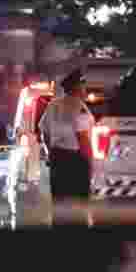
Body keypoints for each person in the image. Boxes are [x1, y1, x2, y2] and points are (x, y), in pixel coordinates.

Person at [38, 68, 94, 219]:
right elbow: (82, 138)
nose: (85, 88)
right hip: (76, 162)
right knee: (78, 209)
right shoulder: (79, 107)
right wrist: (90, 164)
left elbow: (44, 131)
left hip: (57, 160)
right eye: (83, 85)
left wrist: (51, 152)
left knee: (59, 205)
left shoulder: (53, 105)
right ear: (76, 87)